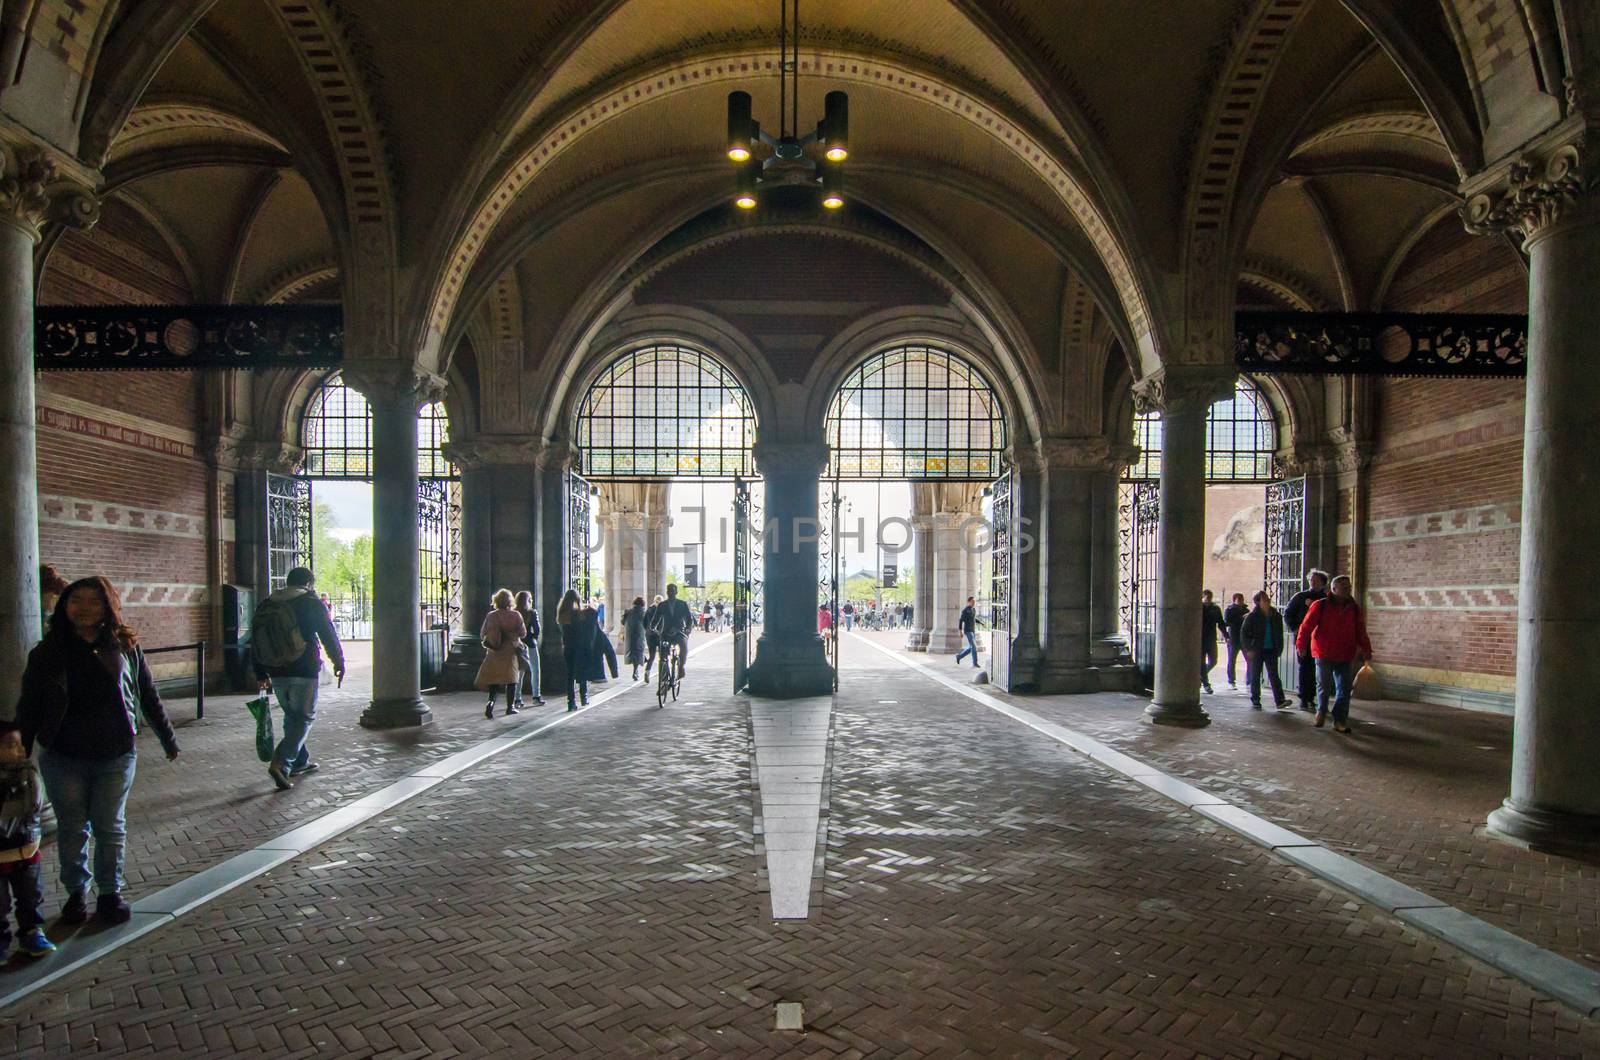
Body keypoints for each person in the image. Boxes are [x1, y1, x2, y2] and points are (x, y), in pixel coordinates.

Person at [16, 576, 179, 924]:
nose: (84, 608)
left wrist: (168, 737)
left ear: (107, 606)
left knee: (109, 826)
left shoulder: (124, 645)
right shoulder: (48, 651)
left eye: (93, 601)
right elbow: (30, 703)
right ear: (65, 605)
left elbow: (147, 692)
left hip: (115, 753)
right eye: (77, 600)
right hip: (63, 755)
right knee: (73, 828)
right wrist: (21, 747)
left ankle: (110, 893)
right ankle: (76, 894)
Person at [251, 567, 346, 789]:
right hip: (304, 669)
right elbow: (327, 634)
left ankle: (299, 761)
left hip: (276, 670)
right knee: (304, 718)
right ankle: (281, 763)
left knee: (292, 716)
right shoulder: (311, 602)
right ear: (309, 583)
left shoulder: (268, 603)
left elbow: (255, 640)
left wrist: (260, 672)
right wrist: (338, 662)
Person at [0, 724, 54, 958]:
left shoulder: (29, 775)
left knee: (30, 893)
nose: (20, 750)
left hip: (25, 848)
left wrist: (37, 837)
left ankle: (31, 932)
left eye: (21, 744)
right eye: (12, 745)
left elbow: (38, 810)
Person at [1295, 575, 1374, 734]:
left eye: (1349, 587)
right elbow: (1306, 626)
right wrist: (1301, 645)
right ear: (1334, 589)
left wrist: (1366, 649)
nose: (1348, 589)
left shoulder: (1354, 608)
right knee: (1323, 686)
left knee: (1344, 689)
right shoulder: (1320, 605)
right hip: (1324, 653)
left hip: (1345, 654)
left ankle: (1339, 720)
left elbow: (1360, 630)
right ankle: (1321, 712)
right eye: (1344, 587)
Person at [476, 589, 526, 719]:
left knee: (494, 680)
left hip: (494, 651)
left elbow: (482, 633)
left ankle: (490, 703)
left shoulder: (491, 615)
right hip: (510, 651)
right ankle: (510, 707)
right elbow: (523, 633)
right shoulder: (516, 615)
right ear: (510, 601)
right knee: (511, 679)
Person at [1284, 569, 1330, 712]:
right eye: (1311, 579)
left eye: (1316, 580)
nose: (1312, 582)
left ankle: (1316, 699)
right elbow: (1288, 614)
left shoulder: (1327, 599)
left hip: (1321, 639)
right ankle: (1305, 699)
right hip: (1303, 638)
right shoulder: (1300, 597)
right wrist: (1295, 628)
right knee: (1305, 668)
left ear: (1323, 583)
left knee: (1320, 670)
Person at [1239, 591, 1288, 710]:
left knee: (1274, 675)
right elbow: (1244, 633)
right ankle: (1255, 699)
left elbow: (1279, 633)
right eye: (1264, 599)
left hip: (1271, 649)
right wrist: (1249, 649)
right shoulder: (1252, 616)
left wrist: (1279, 647)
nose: (1267, 600)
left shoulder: (1275, 615)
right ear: (1258, 602)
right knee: (1255, 674)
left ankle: (1280, 700)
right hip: (1257, 649)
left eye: (1267, 598)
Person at [557, 589, 596, 710]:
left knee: (570, 675)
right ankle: (584, 698)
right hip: (579, 647)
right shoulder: (579, 614)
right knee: (582, 672)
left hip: (568, 647)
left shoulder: (562, 614)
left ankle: (571, 702)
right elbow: (592, 615)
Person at [651, 583, 694, 680]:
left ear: (676, 592)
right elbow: (655, 618)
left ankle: (681, 667)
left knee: (683, 646)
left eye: (673, 591)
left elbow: (689, 619)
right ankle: (663, 678)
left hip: (679, 632)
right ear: (667, 592)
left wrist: (688, 628)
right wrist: (653, 628)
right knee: (663, 655)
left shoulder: (682, 604)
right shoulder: (662, 605)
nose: (671, 593)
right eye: (669, 591)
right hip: (666, 633)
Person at [514, 590, 544, 707]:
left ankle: (517, 698)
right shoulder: (532, 613)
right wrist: (534, 638)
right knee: (535, 670)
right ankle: (536, 696)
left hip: (518, 644)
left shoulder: (514, 613)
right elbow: (537, 629)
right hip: (530, 644)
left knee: (519, 672)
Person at [1200, 590, 1228, 694]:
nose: (1207, 600)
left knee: (1214, 660)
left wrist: (1226, 635)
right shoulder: (1198, 608)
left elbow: (1220, 623)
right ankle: (1206, 684)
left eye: (1209, 598)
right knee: (1201, 662)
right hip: (1200, 639)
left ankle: (1201, 677)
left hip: (1211, 638)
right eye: (1206, 598)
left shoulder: (1215, 609)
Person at [587, 601, 620, 684]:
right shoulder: (600, 634)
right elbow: (610, 653)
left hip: (583, 673)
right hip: (598, 674)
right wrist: (614, 672)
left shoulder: (580, 633)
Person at [1223, 592, 1249, 688]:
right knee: (1232, 659)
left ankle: (1249, 680)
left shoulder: (1246, 610)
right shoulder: (1229, 610)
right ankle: (1231, 681)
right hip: (1233, 637)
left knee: (1249, 659)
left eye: (1242, 600)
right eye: (1239, 600)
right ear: (1234, 600)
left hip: (1244, 638)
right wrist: (1241, 618)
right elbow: (1227, 622)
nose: (1241, 602)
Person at [623, 596, 647, 680]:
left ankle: (637, 668)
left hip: (629, 635)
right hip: (640, 634)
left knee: (632, 651)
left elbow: (622, 621)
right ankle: (636, 670)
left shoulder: (628, 612)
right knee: (638, 651)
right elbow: (647, 623)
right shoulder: (643, 612)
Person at [955, 595, 982, 668]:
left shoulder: (973, 610)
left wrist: (981, 623)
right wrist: (960, 631)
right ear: (969, 602)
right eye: (972, 601)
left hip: (972, 630)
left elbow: (974, 619)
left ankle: (959, 656)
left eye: (974, 602)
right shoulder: (965, 610)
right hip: (967, 631)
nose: (974, 603)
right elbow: (961, 621)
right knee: (974, 646)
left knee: (971, 647)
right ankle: (975, 663)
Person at [643, 594, 663, 676]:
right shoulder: (662, 610)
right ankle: (662, 673)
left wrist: (648, 630)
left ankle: (647, 671)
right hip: (660, 634)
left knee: (652, 655)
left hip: (650, 635)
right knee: (662, 655)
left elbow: (644, 623)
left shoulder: (648, 610)